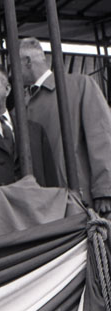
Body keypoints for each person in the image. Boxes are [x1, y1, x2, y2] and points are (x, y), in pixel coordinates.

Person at [20, 37, 111, 214]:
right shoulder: (21, 105)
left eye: (12, 66)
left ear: (27, 61)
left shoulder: (80, 85)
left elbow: (102, 137)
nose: (11, 73)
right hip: (45, 204)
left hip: (82, 200)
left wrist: (105, 190)